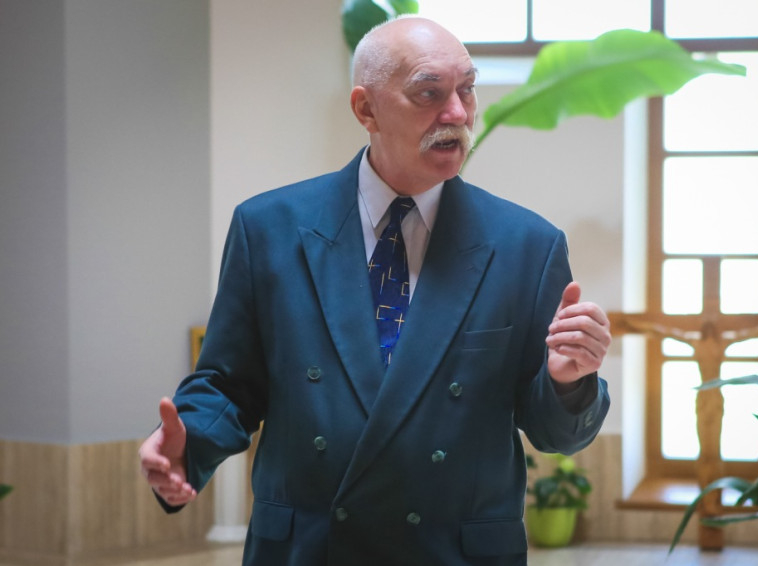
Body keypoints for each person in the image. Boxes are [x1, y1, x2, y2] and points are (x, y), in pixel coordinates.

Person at [139, 15, 611, 566]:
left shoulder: (527, 245)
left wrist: (569, 382)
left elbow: (555, 433)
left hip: (454, 552)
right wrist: (188, 444)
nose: (457, 114)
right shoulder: (268, 228)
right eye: (429, 93)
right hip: (309, 548)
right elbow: (228, 384)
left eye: (466, 89)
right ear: (366, 109)